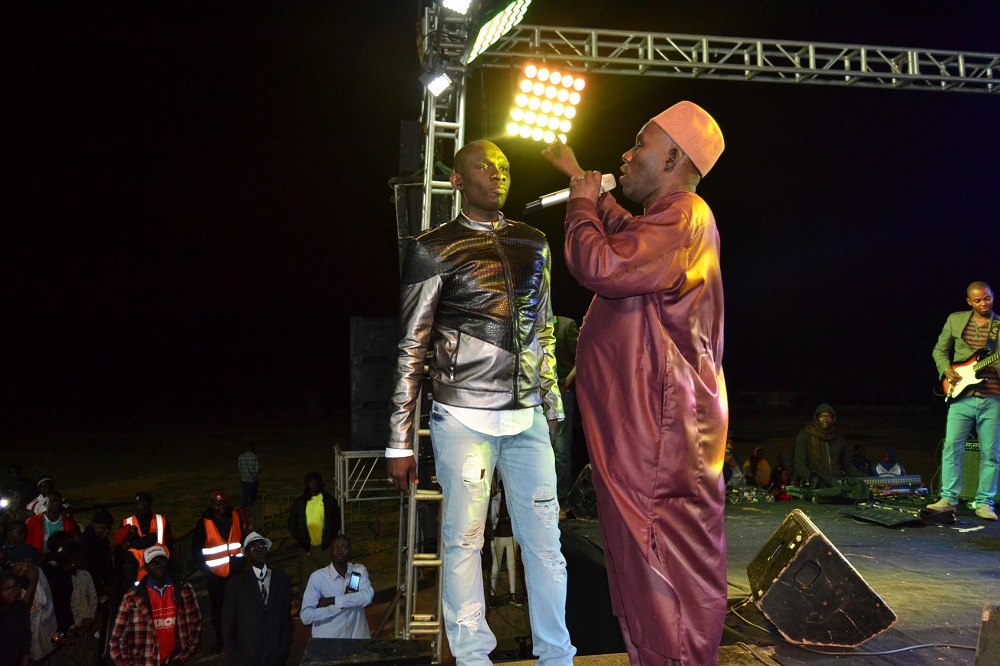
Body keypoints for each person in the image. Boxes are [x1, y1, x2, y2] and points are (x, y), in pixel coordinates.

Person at [541, 100, 727, 665]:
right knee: (643, 563)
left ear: (672, 156)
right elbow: (630, 239)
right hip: (650, 429)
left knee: (661, 565)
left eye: (639, 143)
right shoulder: (673, 220)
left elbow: (603, 264)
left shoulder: (686, 214)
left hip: (660, 432)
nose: (625, 154)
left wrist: (579, 203)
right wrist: (586, 184)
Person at [387, 139, 576, 665]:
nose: (497, 174)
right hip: (464, 421)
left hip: (527, 420)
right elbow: (410, 348)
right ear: (457, 181)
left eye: (504, 166)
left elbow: (543, 331)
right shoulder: (433, 247)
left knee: (545, 547)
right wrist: (398, 441)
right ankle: (473, 658)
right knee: (465, 542)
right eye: (484, 167)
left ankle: (556, 656)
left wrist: (552, 403)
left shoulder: (534, 242)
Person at [929, 281, 1000, 521]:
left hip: (992, 397)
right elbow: (939, 350)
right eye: (978, 300)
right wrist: (946, 369)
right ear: (969, 301)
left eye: (987, 298)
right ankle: (948, 499)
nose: (983, 304)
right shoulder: (956, 320)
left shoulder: (998, 325)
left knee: (991, 453)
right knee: (952, 448)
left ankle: (984, 502)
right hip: (961, 396)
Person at [109, 544, 202, 665]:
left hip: (175, 659)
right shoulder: (131, 598)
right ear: (146, 567)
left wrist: (183, 656)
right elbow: (117, 639)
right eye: (153, 562)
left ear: (167, 562)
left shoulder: (184, 589)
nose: (157, 565)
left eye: (161, 560)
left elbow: (196, 626)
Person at [221, 532, 293, 666]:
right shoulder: (236, 584)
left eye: (262, 545)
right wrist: (234, 658)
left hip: (275, 655)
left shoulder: (282, 579)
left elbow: (286, 618)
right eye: (253, 548)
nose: (259, 549)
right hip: (247, 656)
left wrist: (284, 649)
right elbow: (228, 624)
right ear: (247, 555)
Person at [191, 491, 244, 655]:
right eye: (216, 504)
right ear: (212, 505)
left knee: (236, 606)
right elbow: (196, 548)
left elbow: (242, 539)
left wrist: (243, 563)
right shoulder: (204, 523)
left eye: (223, 504)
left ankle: (236, 637)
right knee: (218, 609)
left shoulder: (235, 517)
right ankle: (221, 639)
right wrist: (205, 568)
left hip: (235, 572)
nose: (220, 507)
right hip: (215, 575)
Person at [300, 534, 373, 639]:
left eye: (344, 547)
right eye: (336, 547)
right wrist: (336, 607)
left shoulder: (357, 572)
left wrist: (332, 601)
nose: (340, 551)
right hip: (329, 643)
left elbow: (366, 597)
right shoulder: (318, 578)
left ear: (350, 551)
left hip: (357, 639)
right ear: (330, 551)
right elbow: (306, 616)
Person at [287, 472, 340, 596]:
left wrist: (330, 539)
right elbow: (291, 522)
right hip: (306, 548)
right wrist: (299, 537)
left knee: (329, 578)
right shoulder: (300, 502)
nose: (314, 484)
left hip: (325, 547)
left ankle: (330, 605)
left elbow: (337, 520)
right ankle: (305, 608)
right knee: (306, 581)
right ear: (307, 484)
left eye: (316, 481)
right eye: (311, 481)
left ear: (321, 483)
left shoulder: (329, 501)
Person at [8, 544, 57, 664]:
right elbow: (23, 610)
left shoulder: (39, 575)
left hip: (35, 638)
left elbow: (45, 603)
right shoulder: (6, 582)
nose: (25, 568)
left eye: (29, 564)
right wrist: (33, 582)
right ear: (12, 563)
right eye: (21, 563)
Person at [793, 403, 859, 489]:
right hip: (814, 487)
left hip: (836, 486)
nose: (825, 419)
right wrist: (813, 479)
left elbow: (848, 466)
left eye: (829, 416)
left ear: (833, 419)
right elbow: (799, 464)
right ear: (816, 418)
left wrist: (868, 479)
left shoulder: (838, 437)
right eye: (822, 416)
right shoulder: (805, 435)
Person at [552, 314, 580, 509]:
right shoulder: (530, 325)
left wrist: (566, 384)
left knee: (560, 448)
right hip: (536, 394)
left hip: (560, 392)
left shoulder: (566, 325)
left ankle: (561, 500)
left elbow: (581, 357)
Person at [120, 491, 173, 586]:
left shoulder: (161, 520)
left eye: (144, 502)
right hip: (137, 573)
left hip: (160, 568)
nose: (142, 505)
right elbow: (121, 550)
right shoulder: (127, 523)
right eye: (139, 503)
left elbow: (170, 545)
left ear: (150, 503)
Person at [488, 477, 519, 605]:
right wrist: (505, 518)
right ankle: (492, 594)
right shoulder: (496, 500)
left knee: (511, 566)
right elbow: (492, 520)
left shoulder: (514, 499)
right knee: (496, 567)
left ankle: (513, 594)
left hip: (511, 536)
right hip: (498, 536)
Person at [0, 569, 32, 666]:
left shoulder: (20, 608)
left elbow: (26, 638)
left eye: (14, 588)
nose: (12, 592)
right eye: (7, 589)